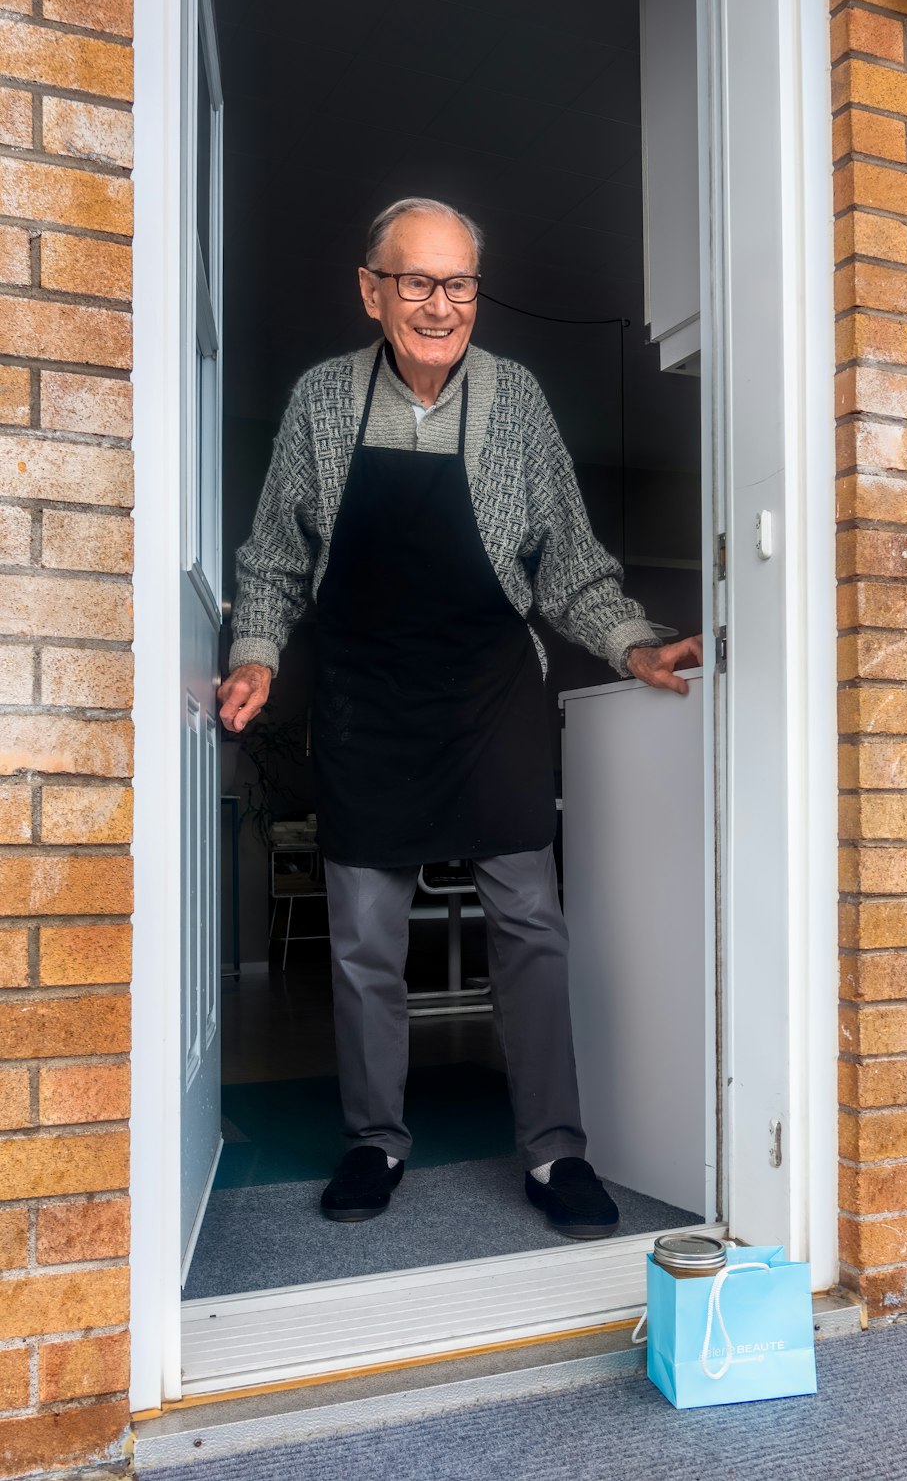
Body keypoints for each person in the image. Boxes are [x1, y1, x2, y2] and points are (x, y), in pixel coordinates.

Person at [219, 197, 703, 1239]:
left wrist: (631, 641)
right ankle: (374, 1139)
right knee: (361, 941)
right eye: (417, 282)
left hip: (487, 695)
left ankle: (552, 1153)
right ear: (372, 290)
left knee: (530, 926)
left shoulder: (516, 400)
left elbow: (566, 562)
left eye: (460, 285)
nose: (440, 306)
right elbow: (270, 559)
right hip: (367, 701)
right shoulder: (318, 402)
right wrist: (254, 655)